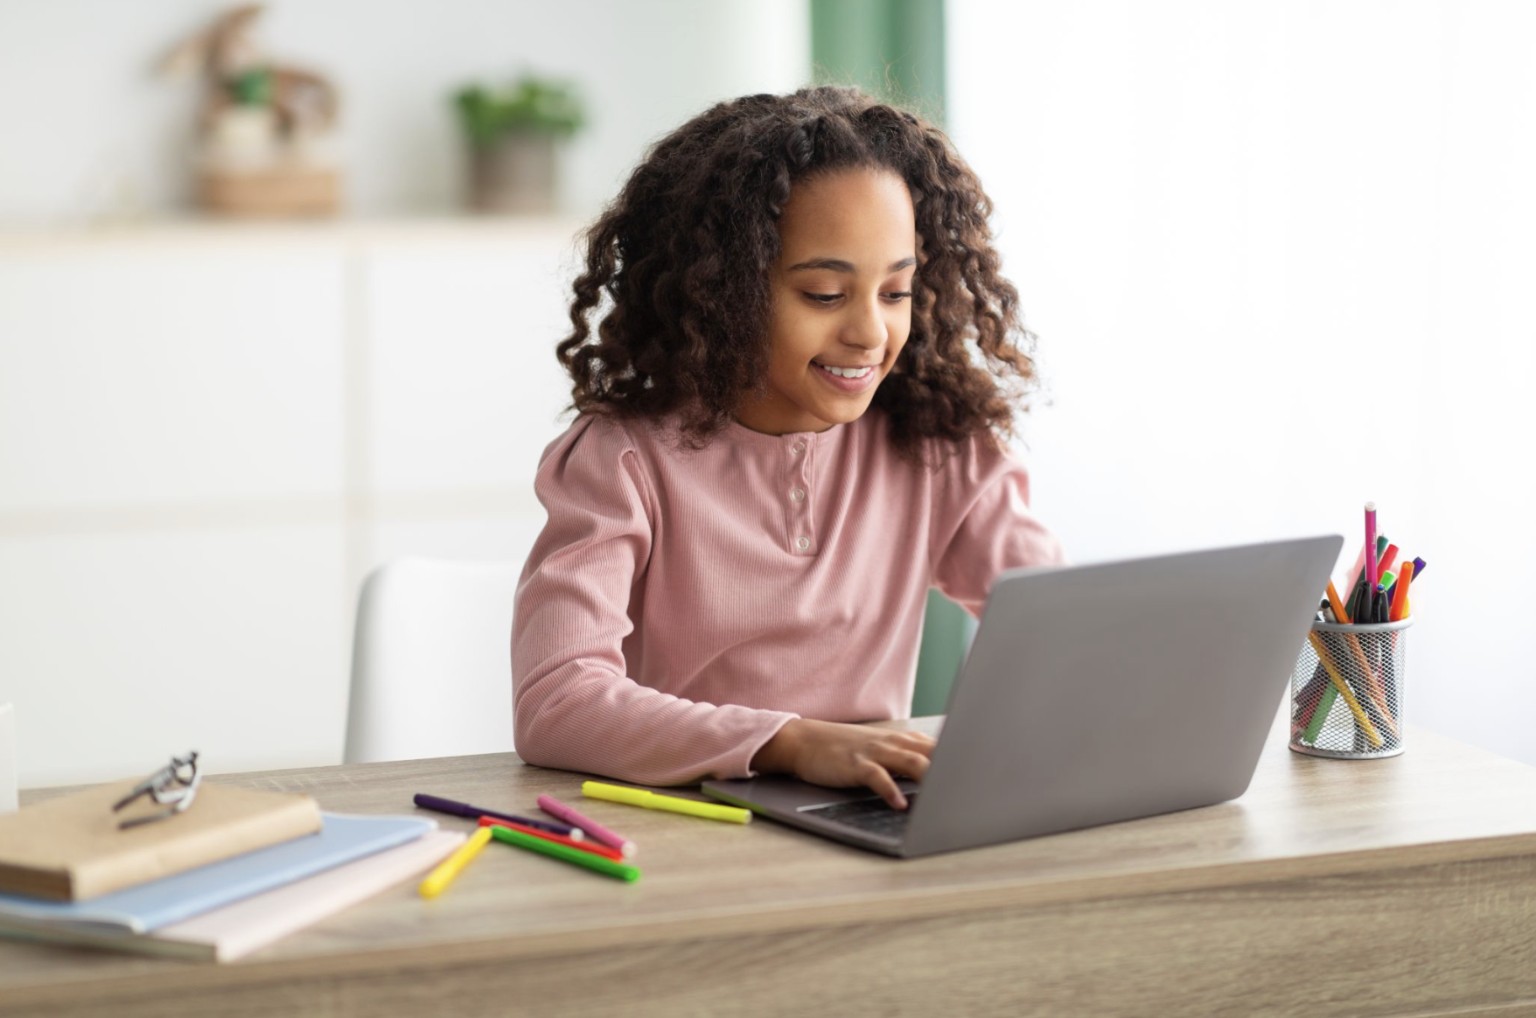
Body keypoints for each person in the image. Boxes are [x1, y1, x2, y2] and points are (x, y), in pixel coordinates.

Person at [512, 86, 1064, 809]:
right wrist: (794, 742)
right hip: (691, 828)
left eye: (895, 292)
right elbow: (557, 702)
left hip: (876, 820)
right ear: (725, 293)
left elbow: (1060, 631)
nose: (870, 333)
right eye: (826, 295)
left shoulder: (935, 447)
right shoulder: (624, 461)